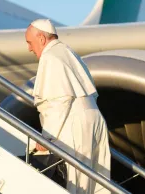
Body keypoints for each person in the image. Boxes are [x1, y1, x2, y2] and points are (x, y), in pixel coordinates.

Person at [25, 19, 111, 194]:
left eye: (30, 42)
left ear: (41, 38)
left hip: (74, 123)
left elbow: (59, 101)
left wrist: (47, 138)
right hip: (93, 118)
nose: (29, 49)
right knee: (96, 184)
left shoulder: (50, 56)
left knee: (75, 183)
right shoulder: (67, 52)